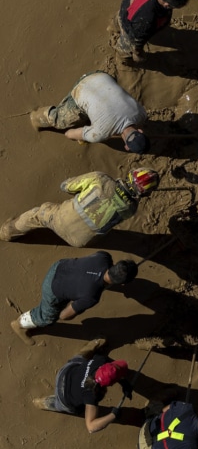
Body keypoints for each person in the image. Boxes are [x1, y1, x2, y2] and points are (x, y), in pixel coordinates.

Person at [0, 167, 160, 247]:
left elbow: (66, 186)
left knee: (39, 213)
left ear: (131, 175)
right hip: (78, 241)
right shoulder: (132, 209)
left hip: (61, 220)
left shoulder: (101, 179)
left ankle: (7, 232)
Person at [10, 252, 138, 346]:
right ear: (122, 284)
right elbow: (65, 316)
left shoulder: (104, 257)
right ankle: (19, 325)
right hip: (52, 288)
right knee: (48, 318)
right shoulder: (92, 297)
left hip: (59, 266)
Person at [28, 71, 151, 153]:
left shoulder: (142, 113)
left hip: (101, 75)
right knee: (59, 121)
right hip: (81, 88)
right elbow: (69, 134)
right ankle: (36, 117)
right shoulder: (100, 133)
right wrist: (87, 136)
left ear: (140, 131)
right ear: (127, 147)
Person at [32, 338, 132, 434]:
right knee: (65, 406)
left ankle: (94, 343)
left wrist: (124, 382)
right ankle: (44, 403)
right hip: (64, 397)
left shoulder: (99, 361)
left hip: (64, 373)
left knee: (79, 359)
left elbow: (110, 369)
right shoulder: (91, 395)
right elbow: (91, 427)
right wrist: (113, 415)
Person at [112, 0, 188, 62]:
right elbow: (137, 39)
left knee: (118, 19)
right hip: (130, 25)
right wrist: (138, 53)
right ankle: (122, 58)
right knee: (125, 48)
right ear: (167, 5)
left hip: (126, 6)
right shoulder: (147, 19)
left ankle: (114, 26)